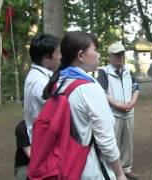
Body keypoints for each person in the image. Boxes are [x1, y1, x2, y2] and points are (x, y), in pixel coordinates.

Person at [42, 31, 126, 180]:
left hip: (65, 163)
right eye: (95, 50)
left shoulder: (59, 83)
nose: (99, 55)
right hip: (90, 168)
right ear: (81, 55)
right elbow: (105, 139)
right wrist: (120, 173)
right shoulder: (89, 89)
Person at [96, 41, 140, 180]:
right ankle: (113, 170)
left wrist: (132, 102)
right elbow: (102, 92)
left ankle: (126, 168)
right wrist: (116, 104)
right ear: (110, 56)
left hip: (128, 113)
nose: (120, 57)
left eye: (122, 54)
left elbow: (136, 88)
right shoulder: (104, 72)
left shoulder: (128, 70)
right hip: (113, 114)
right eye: (117, 55)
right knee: (112, 142)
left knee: (128, 143)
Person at [23, 34, 61, 142]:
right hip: (46, 144)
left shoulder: (39, 76)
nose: (60, 57)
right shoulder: (41, 83)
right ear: (46, 58)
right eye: (57, 53)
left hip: (42, 140)